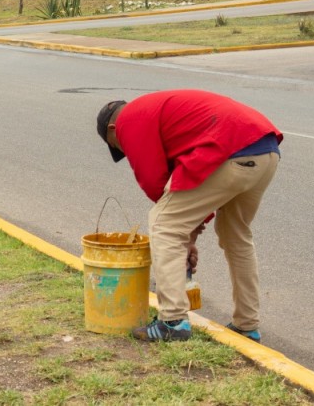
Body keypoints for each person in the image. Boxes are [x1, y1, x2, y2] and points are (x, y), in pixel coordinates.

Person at [96, 90, 282, 343]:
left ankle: (172, 321)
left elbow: (154, 180)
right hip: (265, 150)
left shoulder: (129, 118)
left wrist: (182, 233)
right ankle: (247, 325)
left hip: (230, 149)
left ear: (112, 127)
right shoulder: (160, 111)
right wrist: (188, 234)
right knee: (235, 235)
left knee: (163, 224)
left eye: (116, 144)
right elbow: (191, 188)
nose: (124, 150)